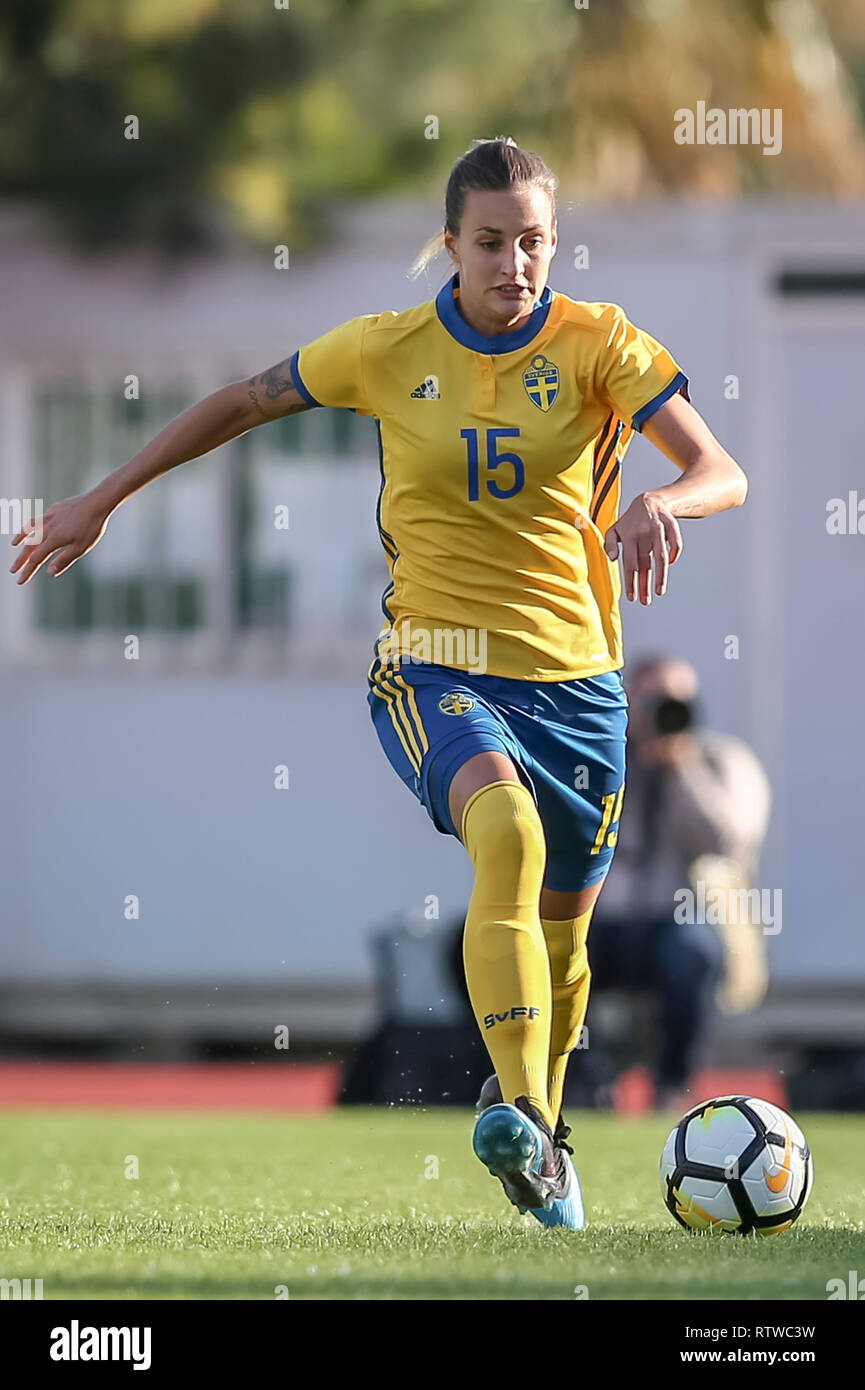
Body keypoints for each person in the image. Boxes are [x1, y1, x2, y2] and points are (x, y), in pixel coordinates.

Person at [9, 137, 748, 1231]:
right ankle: (527, 1124)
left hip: (580, 681)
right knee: (507, 836)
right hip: (434, 660)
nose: (514, 264)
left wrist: (660, 504)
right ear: (448, 244)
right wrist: (104, 498)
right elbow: (240, 401)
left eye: (533, 241)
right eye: (490, 242)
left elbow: (719, 470)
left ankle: (541, 1137)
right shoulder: (384, 349)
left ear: (553, 243)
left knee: (565, 937)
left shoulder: (603, 346)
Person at [585, 655, 772, 1110]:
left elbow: (727, 840)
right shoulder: (597, 756)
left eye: (672, 701)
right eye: (648, 700)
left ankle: (672, 1086)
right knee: (547, 957)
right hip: (598, 920)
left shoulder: (715, 760)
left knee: (693, 959)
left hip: (668, 921)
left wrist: (680, 768)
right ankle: (581, 1085)